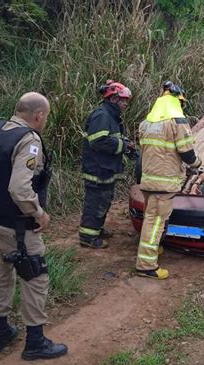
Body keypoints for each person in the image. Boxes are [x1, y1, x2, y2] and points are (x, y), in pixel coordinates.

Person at [0, 92, 68, 361]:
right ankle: (35, 342)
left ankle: (1, 332)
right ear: (39, 115)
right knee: (35, 277)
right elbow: (20, 189)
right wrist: (39, 214)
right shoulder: (28, 140)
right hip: (19, 227)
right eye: (45, 116)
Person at [135, 81, 202, 280]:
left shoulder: (147, 123)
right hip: (164, 183)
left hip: (148, 180)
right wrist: (197, 163)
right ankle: (146, 265)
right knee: (155, 222)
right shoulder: (177, 122)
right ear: (178, 101)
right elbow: (186, 153)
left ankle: (153, 250)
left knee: (151, 218)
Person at [79, 80, 135, 249]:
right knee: (95, 202)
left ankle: (96, 229)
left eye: (126, 100)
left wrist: (125, 144)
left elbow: (111, 137)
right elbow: (99, 141)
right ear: (113, 99)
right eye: (123, 100)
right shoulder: (102, 115)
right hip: (97, 170)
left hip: (105, 169)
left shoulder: (111, 116)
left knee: (104, 201)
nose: (125, 103)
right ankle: (87, 237)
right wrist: (123, 146)